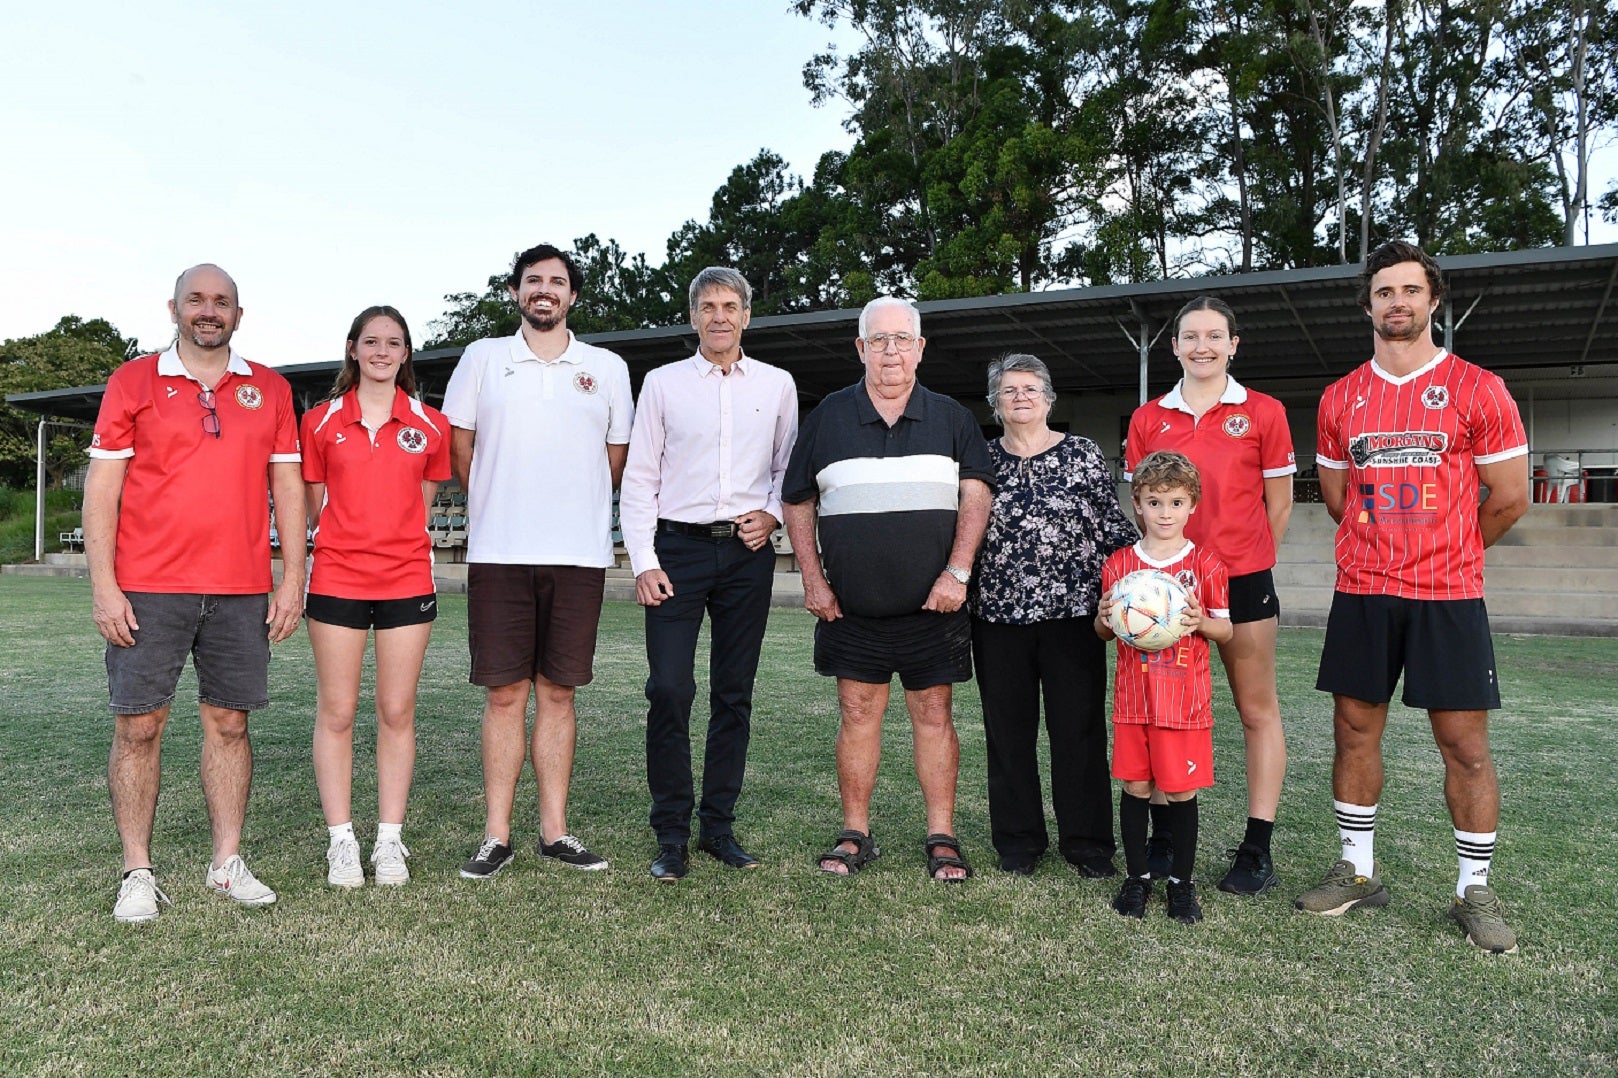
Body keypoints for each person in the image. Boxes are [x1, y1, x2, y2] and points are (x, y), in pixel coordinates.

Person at [1296, 241, 1530, 954]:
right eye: (1384, 292)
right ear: (1367, 305)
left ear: (1433, 300)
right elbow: (1340, 499)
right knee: (1354, 732)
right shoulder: (1341, 397)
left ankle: (1473, 890)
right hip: (1364, 591)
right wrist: (1389, 549)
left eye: (1410, 291)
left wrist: (1448, 551)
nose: (1397, 303)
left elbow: (1511, 497)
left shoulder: (1478, 387)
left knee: (1463, 745)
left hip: (1448, 595)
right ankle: (1358, 872)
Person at [86, 263, 304, 922]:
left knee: (230, 725)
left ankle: (226, 863)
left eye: (222, 302)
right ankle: (137, 872)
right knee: (139, 727)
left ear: (239, 314)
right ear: (175, 308)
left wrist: (293, 574)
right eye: (197, 300)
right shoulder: (133, 382)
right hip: (149, 586)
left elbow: (287, 487)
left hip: (240, 588)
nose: (209, 311)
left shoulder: (269, 389)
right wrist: (104, 586)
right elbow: (104, 490)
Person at [783, 296, 994, 882]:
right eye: (879, 340)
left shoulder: (952, 417)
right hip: (852, 609)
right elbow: (798, 500)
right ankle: (856, 831)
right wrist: (814, 580)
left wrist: (958, 572)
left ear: (921, 348)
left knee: (934, 713)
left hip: (935, 606)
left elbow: (976, 495)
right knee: (857, 712)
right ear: (861, 348)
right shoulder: (827, 415)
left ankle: (942, 835)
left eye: (902, 339)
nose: (891, 350)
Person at [441, 243, 633, 878]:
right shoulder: (483, 358)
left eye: (556, 281)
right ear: (517, 293)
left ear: (572, 295)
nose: (543, 290)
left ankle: (556, 831)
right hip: (500, 551)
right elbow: (460, 450)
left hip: (577, 554)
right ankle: (497, 835)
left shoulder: (605, 367)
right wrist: (502, 500)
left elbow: (615, 459)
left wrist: (568, 504)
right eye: (532, 281)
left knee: (558, 693)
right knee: (503, 695)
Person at [619, 268, 798, 882]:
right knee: (669, 689)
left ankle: (717, 827)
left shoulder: (777, 385)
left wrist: (770, 513)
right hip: (676, 548)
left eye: (730, 305)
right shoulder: (663, 385)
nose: (719, 316)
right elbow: (639, 477)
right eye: (707, 306)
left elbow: (786, 468)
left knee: (733, 693)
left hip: (747, 554)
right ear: (693, 317)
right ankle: (670, 832)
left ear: (747, 315)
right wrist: (644, 561)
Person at [1126, 296, 1295, 895]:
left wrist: (1237, 567)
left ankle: (1256, 847)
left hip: (1243, 582)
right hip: (1164, 589)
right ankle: (1166, 836)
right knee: (1162, 715)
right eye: (1190, 336)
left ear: (1233, 344)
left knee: (1255, 709)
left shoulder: (1265, 412)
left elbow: (1278, 504)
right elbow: (1144, 501)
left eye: (1214, 336)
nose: (1202, 346)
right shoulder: (1149, 418)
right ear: (1172, 347)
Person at [969, 353, 1136, 877]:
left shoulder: (1083, 454)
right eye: (1009, 389)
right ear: (995, 403)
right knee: (1008, 733)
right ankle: (1018, 843)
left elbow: (1112, 529)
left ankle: (1087, 845)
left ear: (1049, 397)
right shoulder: (978, 459)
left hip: (1074, 618)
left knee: (1079, 732)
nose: (1021, 396)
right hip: (997, 619)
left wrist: (1148, 579)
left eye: (1031, 387)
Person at [300, 306, 450, 887]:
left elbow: (424, 501)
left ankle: (389, 840)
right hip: (336, 577)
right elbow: (312, 506)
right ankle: (342, 840)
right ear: (353, 349)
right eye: (372, 342)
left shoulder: (429, 425)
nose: (382, 352)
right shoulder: (318, 422)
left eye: (394, 343)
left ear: (406, 353)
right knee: (337, 712)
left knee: (396, 711)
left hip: (406, 579)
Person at [1097, 451, 1232, 924]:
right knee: (1135, 787)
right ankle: (1137, 879)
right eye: (1154, 502)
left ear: (1192, 505)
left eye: (1176, 502)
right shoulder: (1119, 565)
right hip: (1134, 700)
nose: (1165, 513)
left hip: (1184, 703)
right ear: (1137, 504)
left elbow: (1226, 631)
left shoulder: (1207, 565)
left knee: (1179, 793)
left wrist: (1201, 623)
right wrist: (1103, 618)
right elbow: (1106, 631)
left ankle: (1181, 884)